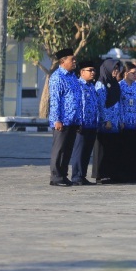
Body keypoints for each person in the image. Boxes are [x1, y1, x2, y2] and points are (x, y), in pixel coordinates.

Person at [49, 48, 81, 186]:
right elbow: (55, 100)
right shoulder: (57, 77)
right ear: (63, 61)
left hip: (73, 119)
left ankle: (63, 175)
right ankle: (56, 177)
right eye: (71, 59)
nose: (74, 62)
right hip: (62, 120)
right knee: (59, 149)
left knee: (68, 150)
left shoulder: (73, 76)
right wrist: (57, 119)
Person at [93, 59, 124, 184]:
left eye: (117, 69)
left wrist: (121, 119)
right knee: (103, 149)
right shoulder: (101, 84)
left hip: (116, 121)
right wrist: (106, 120)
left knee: (113, 148)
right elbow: (101, 105)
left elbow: (119, 103)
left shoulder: (115, 84)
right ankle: (101, 174)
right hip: (105, 122)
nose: (116, 71)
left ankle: (111, 173)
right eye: (114, 69)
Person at [69, 61, 98, 185]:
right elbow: (76, 105)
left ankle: (82, 175)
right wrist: (78, 121)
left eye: (93, 70)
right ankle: (76, 176)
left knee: (87, 151)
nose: (93, 72)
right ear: (82, 72)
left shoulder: (91, 86)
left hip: (92, 123)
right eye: (90, 70)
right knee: (79, 151)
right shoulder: (77, 85)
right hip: (81, 124)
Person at [119, 62, 136, 183]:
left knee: (133, 150)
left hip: (134, 122)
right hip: (124, 123)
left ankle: (132, 174)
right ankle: (123, 174)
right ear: (125, 73)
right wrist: (121, 120)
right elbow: (119, 105)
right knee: (123, 149)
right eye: (133, 73)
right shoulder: (120, 86)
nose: (135, 75)